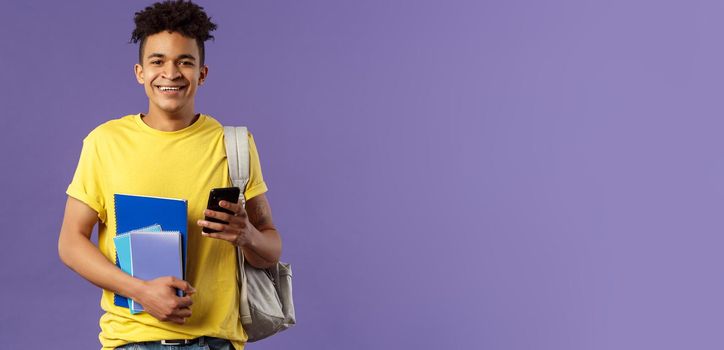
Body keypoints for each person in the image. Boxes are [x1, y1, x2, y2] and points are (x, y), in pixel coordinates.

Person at [58, 1, 282, 349]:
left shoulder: (235, 145)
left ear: (202, 74)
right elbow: (70, 243)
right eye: (158, 61)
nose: (171, 73)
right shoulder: (105, 143)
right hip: (132, 342)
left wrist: (247, 234)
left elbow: (271, 249)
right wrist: (141, 292)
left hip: (216, 342)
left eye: (185, 62)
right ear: (140, 72)